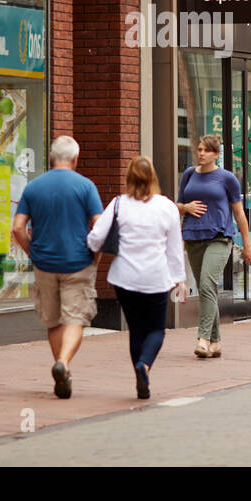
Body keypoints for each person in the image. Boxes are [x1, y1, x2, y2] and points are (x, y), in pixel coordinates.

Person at [86, 156, 186, 399]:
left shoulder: (119, 204)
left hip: (125, 278)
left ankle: (139, 372)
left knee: (136, 329)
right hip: (156, 277)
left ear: (128, 177)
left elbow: (96, 238)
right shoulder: (167, 207)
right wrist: (179, 279)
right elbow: (174, 247)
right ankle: (145, 365)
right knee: (156, 330)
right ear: (154, 177)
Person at [11, 136, 103, 399]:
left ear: (51, 158)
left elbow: (17, 227)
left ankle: (63, 368)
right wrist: (94, 256)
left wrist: (32, 253)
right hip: (78, 262)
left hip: (44, 264)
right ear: (75, 158)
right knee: (75, 318)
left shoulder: (34, 187)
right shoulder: (86, 186)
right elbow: (99, 226)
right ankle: (63, 362)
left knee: (52, 320)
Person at [176, 134, 251, 358]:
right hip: (193, 238)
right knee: (206, 289)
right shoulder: (190, 174)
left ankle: (202, 339)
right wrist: (186, 208)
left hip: (219, 238)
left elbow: (239, 213)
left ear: (216, 154)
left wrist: (247, 246)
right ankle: (216, 342)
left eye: (206, 150)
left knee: (206, 283)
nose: (201, 153)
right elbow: (177, 205)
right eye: (199, 149)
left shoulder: (227, 178)